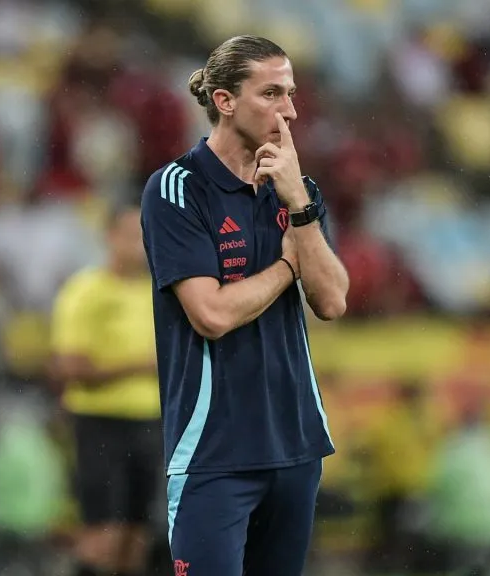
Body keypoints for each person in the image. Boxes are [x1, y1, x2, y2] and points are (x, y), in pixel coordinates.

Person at [140, 35, 349, 576]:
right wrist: (284, 268)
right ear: (226, 101)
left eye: (292, 93)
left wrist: (299, 207)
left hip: (297, 444)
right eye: (272, 93)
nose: (290, 111)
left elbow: (332, 300)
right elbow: (210, 315)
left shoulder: (298, 191)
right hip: (215, 453)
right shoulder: (177, 189)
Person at [50, 201, 161, 576]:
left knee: (137, 535)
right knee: (102, 533)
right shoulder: (86, 291)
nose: (140, 245)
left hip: (152, 422)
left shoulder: (161, 291)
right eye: (131, 235)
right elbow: (70, 367)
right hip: (101, 423)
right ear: (109, 237)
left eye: (144, 235)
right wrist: (143, 366)